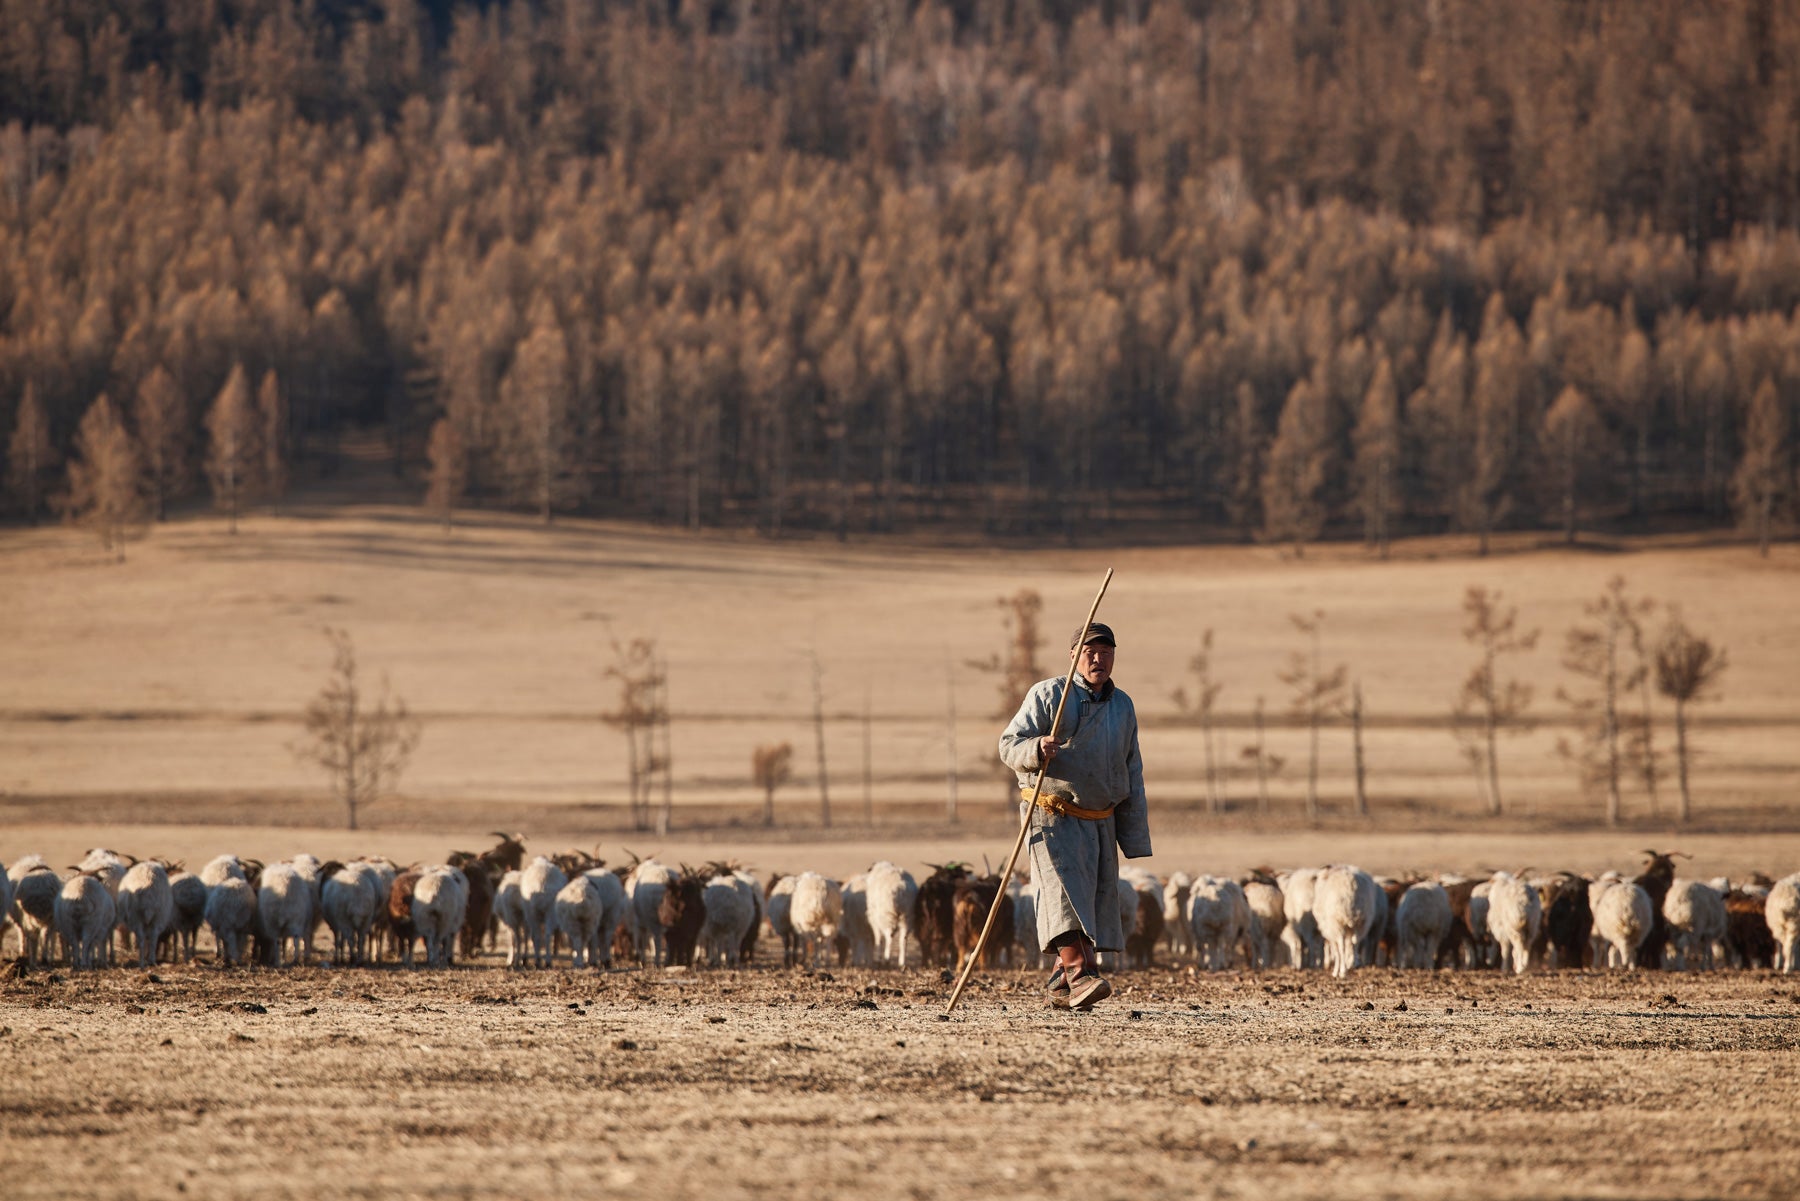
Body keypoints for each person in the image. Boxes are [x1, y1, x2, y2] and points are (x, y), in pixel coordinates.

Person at [998, 621, 1151, 1010]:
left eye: (1105, 651)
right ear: (1073, 656)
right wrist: (1036, 748)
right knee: (1062, 894)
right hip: (1052, 817)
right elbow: (1008, 744)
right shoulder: (1048, 694)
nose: (1098, 658)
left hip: (1100, 818)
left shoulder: (1123, 706)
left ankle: (1060, 982)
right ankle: (1081, 974)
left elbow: (1131, 768)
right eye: (1089, 651)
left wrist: (1132, 835)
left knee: (1092, 901)